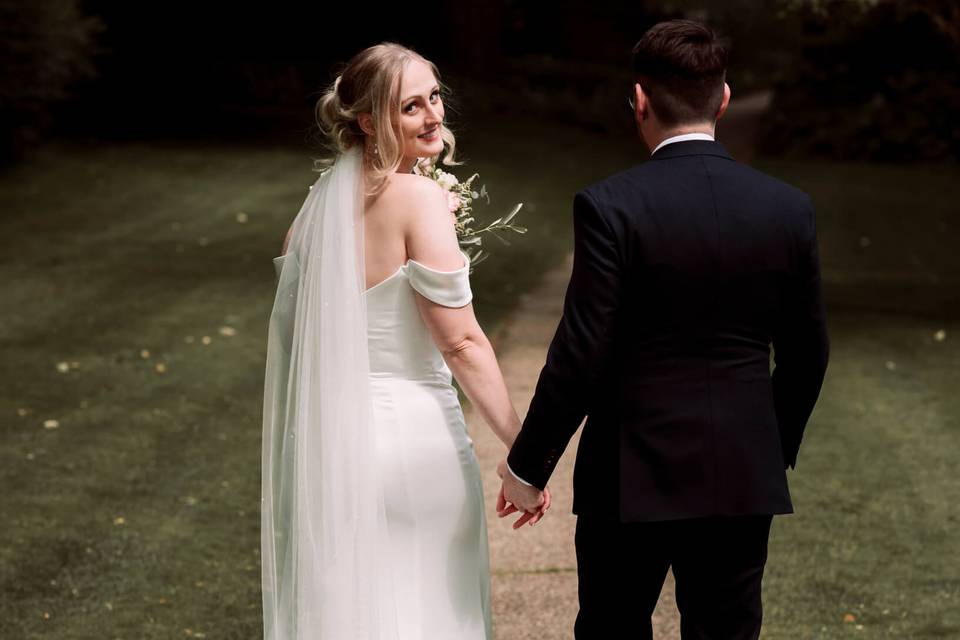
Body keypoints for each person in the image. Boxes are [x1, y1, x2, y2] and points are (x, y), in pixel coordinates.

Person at [497, 19, 830, 639]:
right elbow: (808, 354)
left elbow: (580, 353)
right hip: (739, 472)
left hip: (628, 474)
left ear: (640, 100)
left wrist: (528, 465)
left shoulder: (610, 205)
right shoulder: (789, 208)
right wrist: (766, 442)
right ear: (724, 99)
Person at [260, 43, 549, 640]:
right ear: (368, 122)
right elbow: (463, 343)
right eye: (410, 107)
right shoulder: (420, 200)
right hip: (415, 445)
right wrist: (525, 448)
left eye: (434, 97)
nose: (433, 115)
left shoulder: (311, 214)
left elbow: (295, 336)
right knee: (432, 611)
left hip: (332, 448)